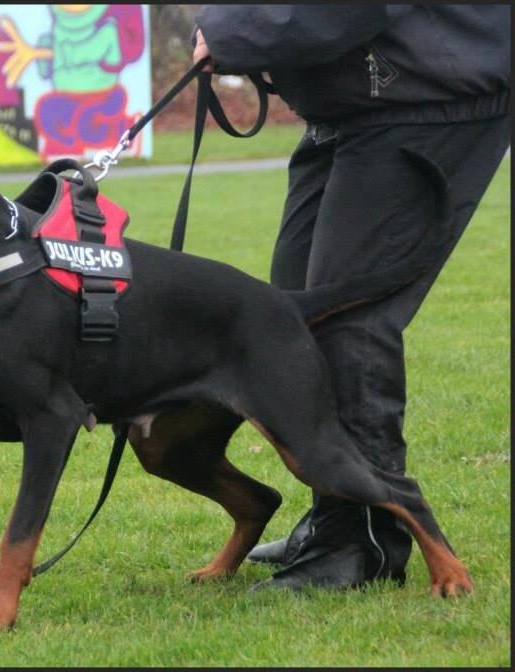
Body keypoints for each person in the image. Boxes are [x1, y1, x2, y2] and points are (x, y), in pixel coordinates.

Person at [190, 5, 510, 591]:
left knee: (349, 324)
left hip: (423, 95)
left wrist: (238, 31)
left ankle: (360, 542)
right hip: (350, 104)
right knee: (295, 317)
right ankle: (336, 511)